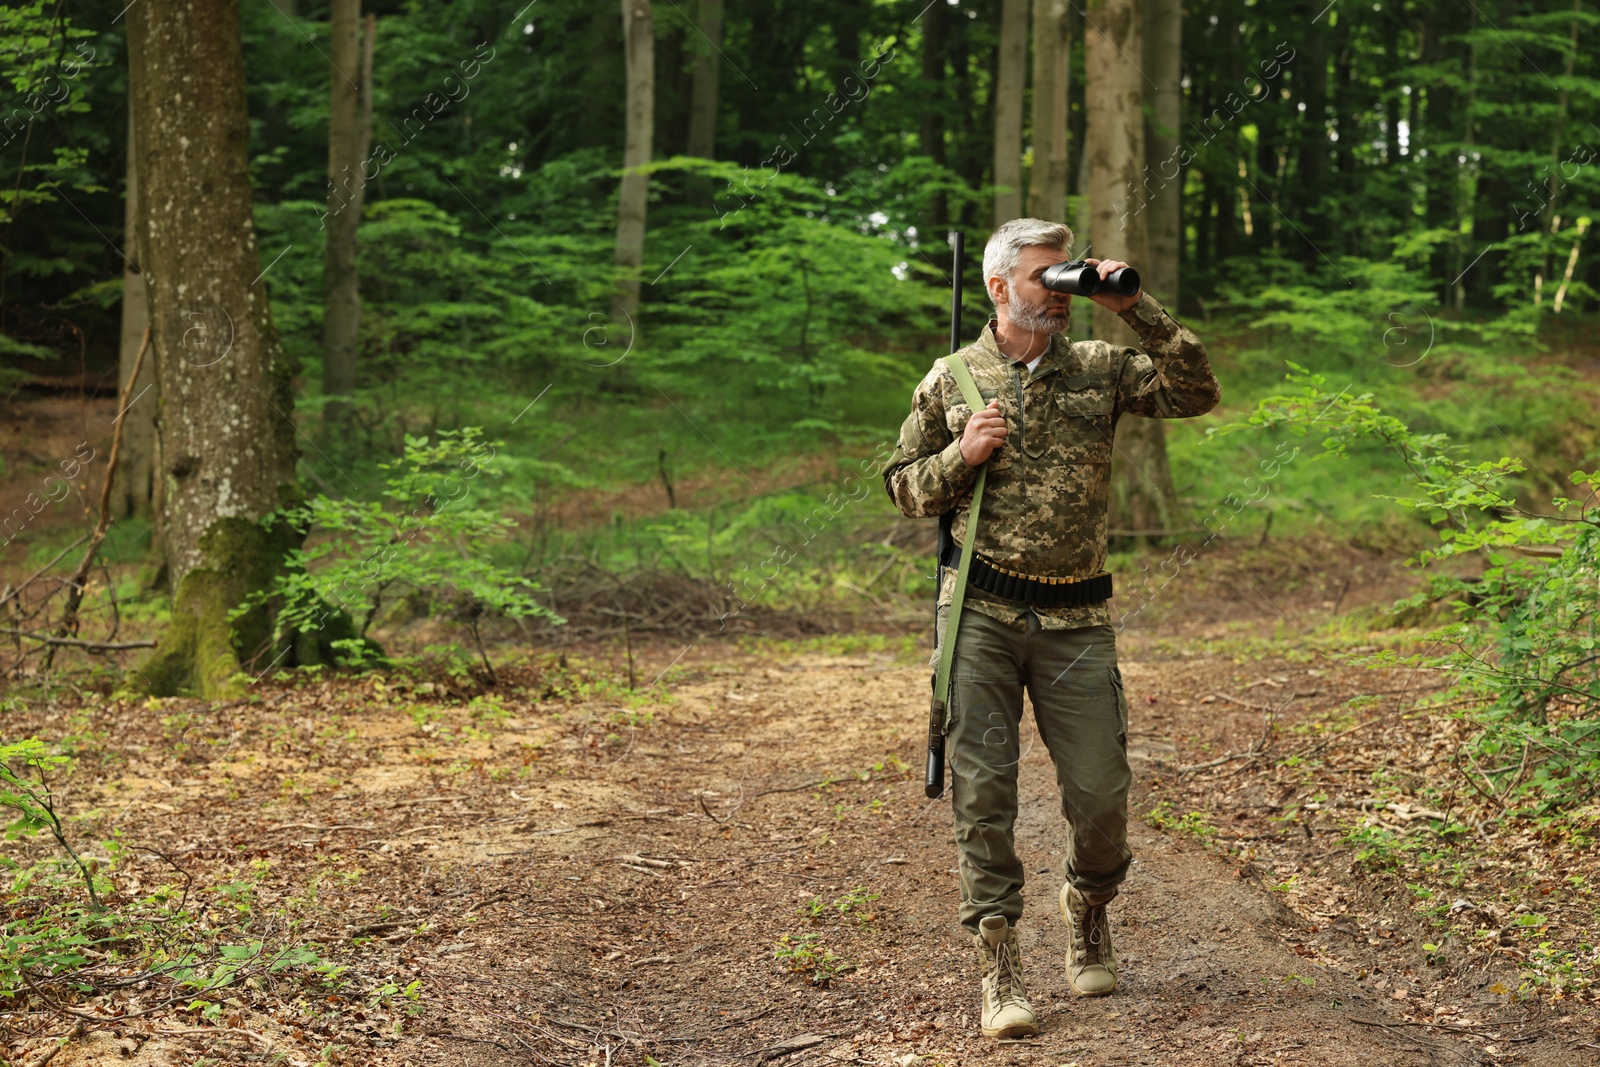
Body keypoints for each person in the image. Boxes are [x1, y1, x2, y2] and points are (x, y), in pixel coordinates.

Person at [882, 218, 1219, 1039]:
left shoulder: (1101, 368)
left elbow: (1195, 391)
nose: (1061, 291)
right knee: (984, 793)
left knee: (1102, 795)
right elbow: (902, 487)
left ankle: (1088, 901)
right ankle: (999, 959)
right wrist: (962, 455)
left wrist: (1134, 307)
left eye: (1067, 274)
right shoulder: (953, 379)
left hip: (1076, 618)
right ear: (999, 288)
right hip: (981, 618)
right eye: (1046, 277)